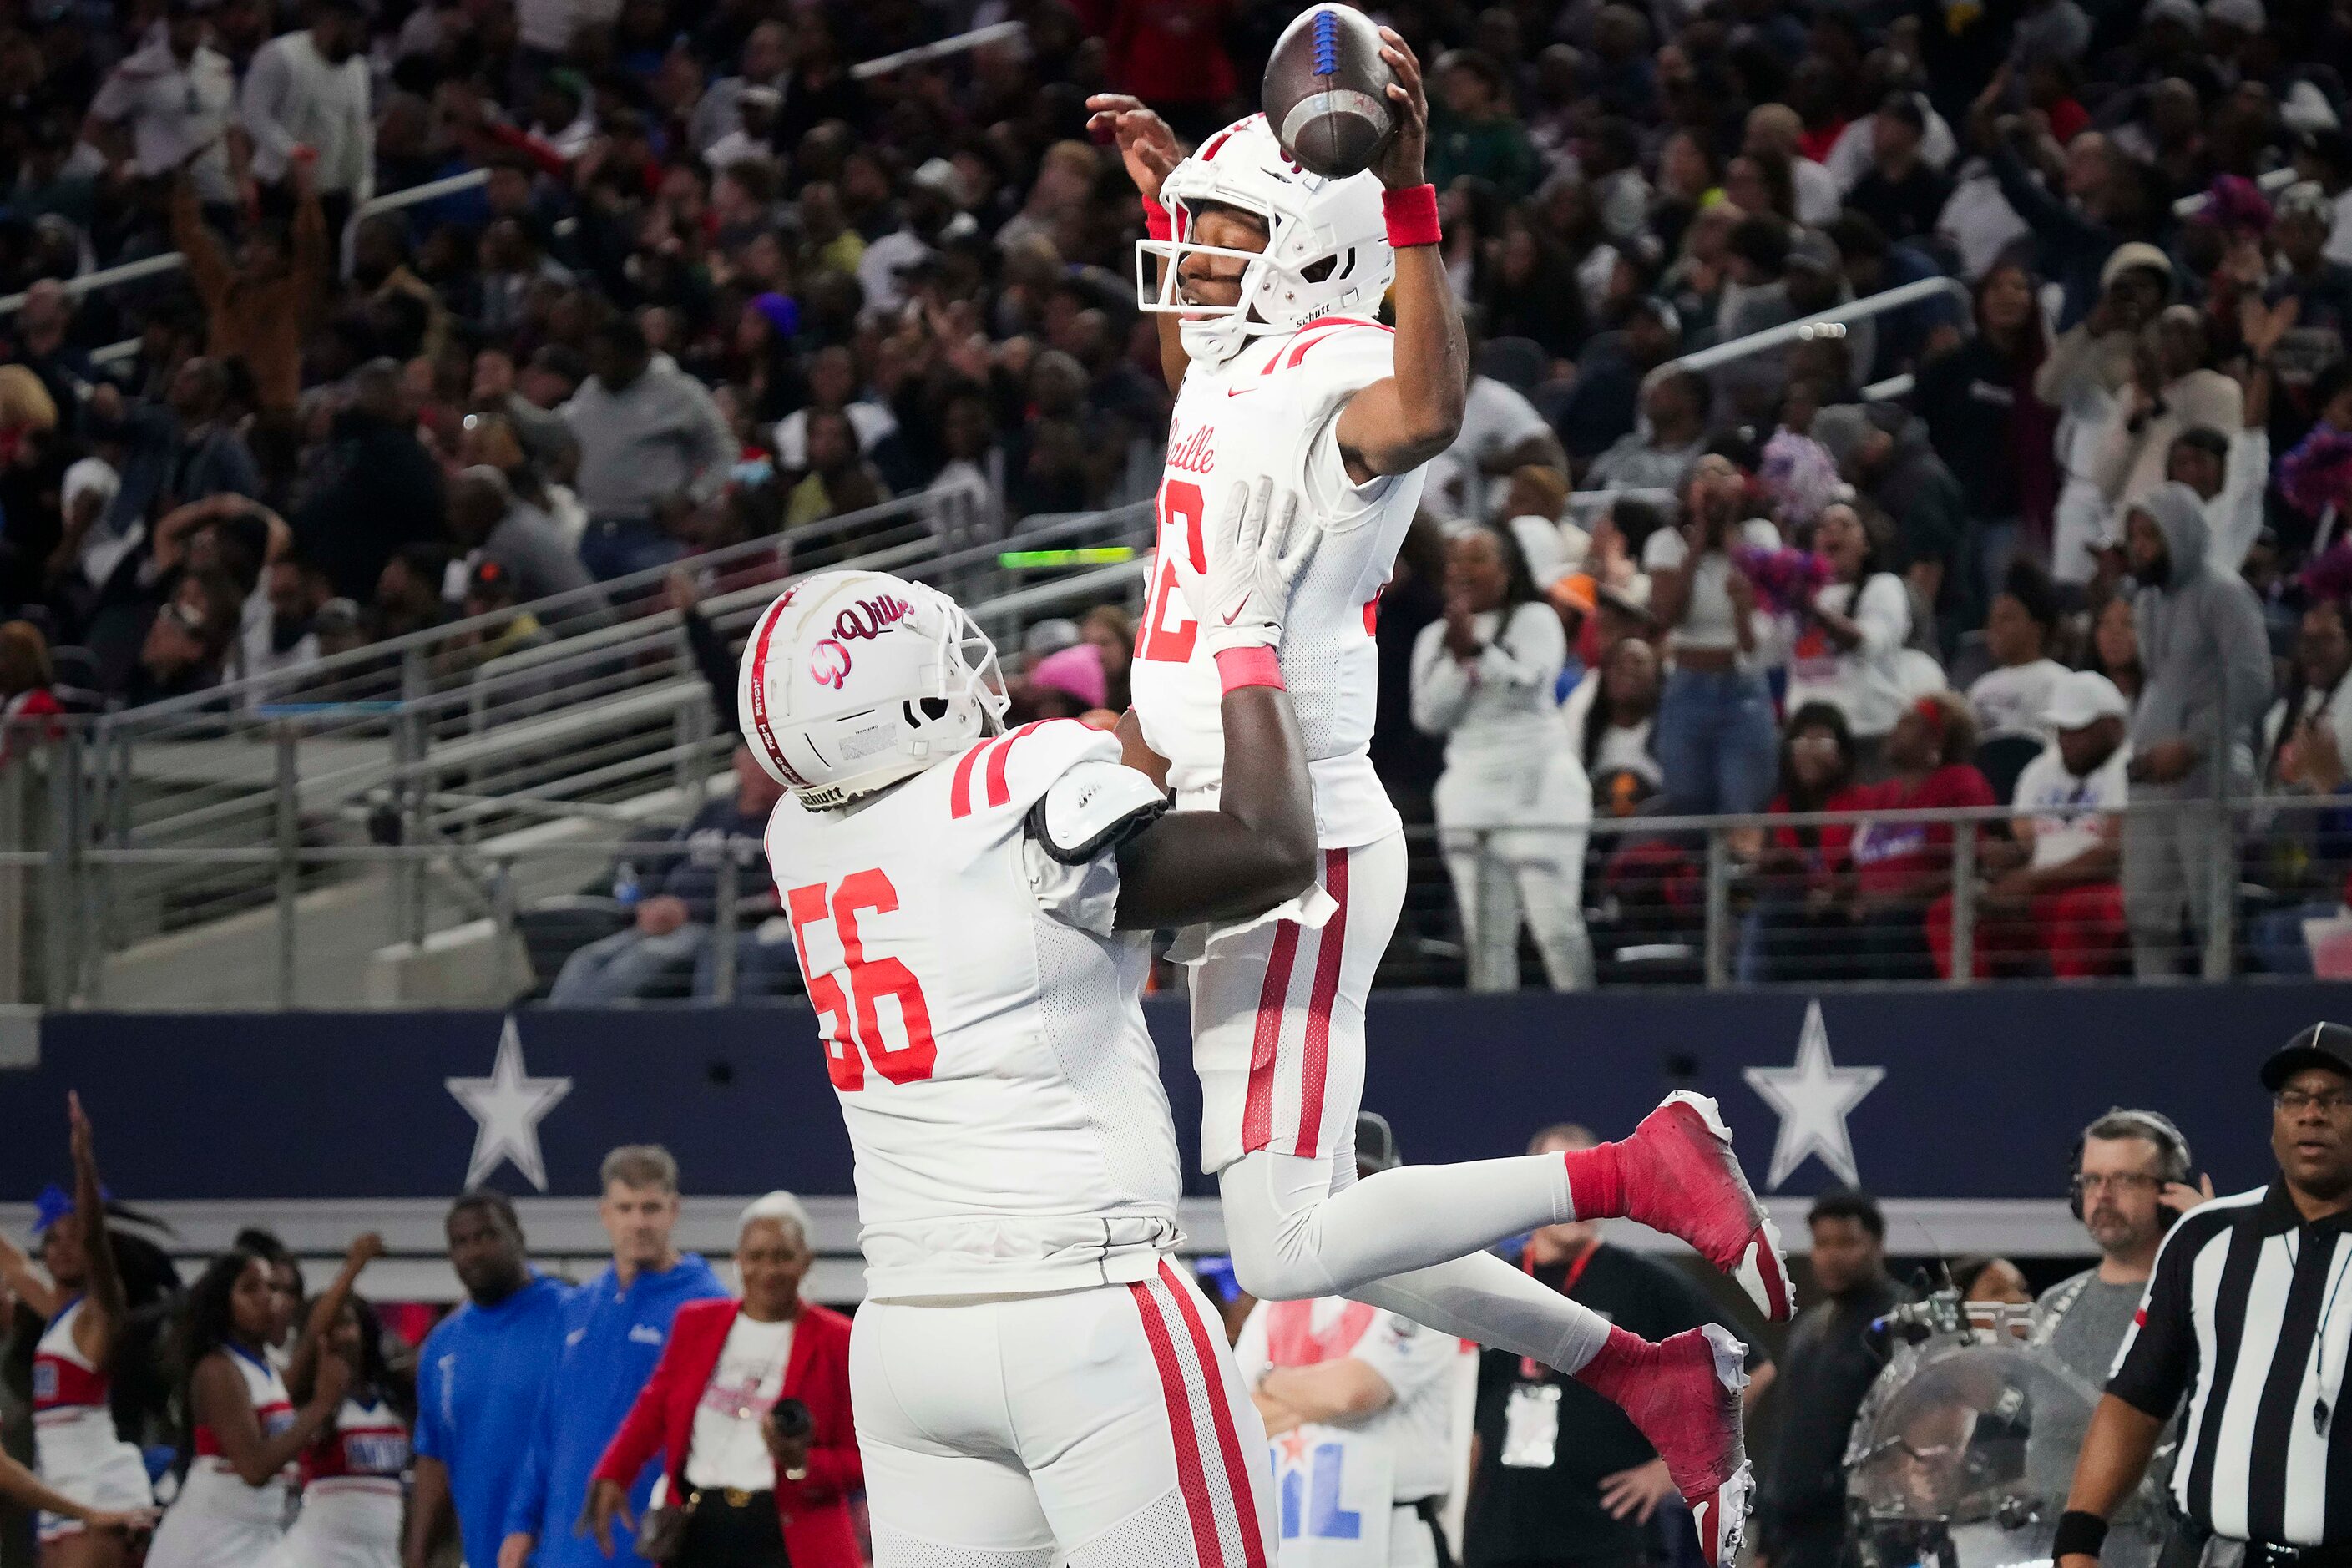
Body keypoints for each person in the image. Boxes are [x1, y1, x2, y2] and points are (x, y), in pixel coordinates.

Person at [740, 533, 1752, 1562]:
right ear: (900, 703)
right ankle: (1629, 1194)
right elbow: (1271, 850)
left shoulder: (800, 837)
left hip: (909, 1331)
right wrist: (1244, 648)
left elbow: (1054, 878)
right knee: (1297, 1230)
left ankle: (1627, 1336)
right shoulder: (1019, 781)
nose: (975, 680)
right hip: (1084, 1309)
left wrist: (1159, 664)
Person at [1095, 67, 1784, 1556]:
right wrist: (1172, 195)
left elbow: (1425, 406)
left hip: (1284, 832)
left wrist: (1408, 201)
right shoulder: (1237, 352)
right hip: (1218, 814)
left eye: (1221, 234)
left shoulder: (1343, 357)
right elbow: (1200, 379)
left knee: (1281, 1242)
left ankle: (1631, 1171)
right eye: (1193, 232)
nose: (1191, 260)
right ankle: (1640, 1360)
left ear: (1314, 253)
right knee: (1312, 1217)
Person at [2056, 1024, 2352, 1568]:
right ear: (2273, 1122)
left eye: (2336, 1099)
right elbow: (2134, 1401)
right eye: (2294, 1100)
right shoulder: (2203, 1237)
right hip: (2206, 1553)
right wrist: (2076, 1543)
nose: (2311, 1114)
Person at [1464, 1122, 1778, 1568]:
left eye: (1589, 1184)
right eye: (1564, 1182)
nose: (1578, 1199)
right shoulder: (1493, 1283)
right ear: (1529, 1191)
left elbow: (1752, 1367)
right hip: (1498, 1539)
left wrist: (1669, 1471)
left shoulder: (1644, 1281)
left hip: (1604, 1538)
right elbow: (1473, 1420)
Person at [1233, 1115, 1465, 1568]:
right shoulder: (1280, 1296)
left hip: (1394, 1532)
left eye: (1366, 1183)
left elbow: (1355, 1392)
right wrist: (1317, 1398)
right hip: (1296, 1527)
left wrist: (1269, 1379)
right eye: (1335, 1186)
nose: (1349, 1199)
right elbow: (1239, 1419)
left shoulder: (1424, 1288)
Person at [586, 1194, 859, 1568]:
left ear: (806, 1262)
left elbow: (864, 1459)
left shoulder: (839, 1341)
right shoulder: (696, 1323)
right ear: (738, 1260)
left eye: (782, 1256)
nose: (768, 1270)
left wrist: (802, 1463)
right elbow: (653, 1409)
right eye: (756, 1256)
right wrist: (615, 1473)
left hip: (789, 1537)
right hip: (699, 1529)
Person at [498, 1148, 726, 1568]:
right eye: (626, 1208)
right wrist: (520, 1523)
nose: (638, 1222)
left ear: (674, 1211)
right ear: (605, 1213)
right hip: (566, 1549)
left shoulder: (709, 1307)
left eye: (651, 1208)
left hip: (660, 1547)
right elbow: (547, 1426)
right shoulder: (578, 1308)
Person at [1411, 523, 1595, 992]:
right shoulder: (1435, 636)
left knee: (1555, 924)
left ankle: (1586, 1028)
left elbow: (1529, 687)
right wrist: (1458, 660)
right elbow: (1430, 716)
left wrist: (1475, 651)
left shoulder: (1537, 618)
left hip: (1541, 786)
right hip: (1471, 791)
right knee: (1486, 937)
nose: (1462, 570)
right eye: (1455, 560)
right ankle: (1496, 1043)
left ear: (1508, 569)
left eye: (1477, 559)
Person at [2117, 483, 2271, 977]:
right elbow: (2163, 683)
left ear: (2179, 534)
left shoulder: (2223, 593)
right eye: (2133, 535)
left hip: (2210, 777)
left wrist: (2193, 745)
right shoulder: (2149, 604)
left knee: (2213, 912)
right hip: (2153, 780)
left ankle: (2220, 1012)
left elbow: (2252, 678)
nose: (2139, 547)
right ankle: (2153, 1013)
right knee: (2145, 910)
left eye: (2150, 535)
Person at [0, 1096, 154, 1568]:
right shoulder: (55, 1312)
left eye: (75, 1237)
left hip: (101, 1484)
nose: (64, 1247)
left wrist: (83, 1163)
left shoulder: (100, 1310)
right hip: (58, 1489)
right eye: (53, 1239)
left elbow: (94, 1243)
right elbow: (11, 1262)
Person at [2022, 1110, 2199, 1500]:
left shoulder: (2204, 1296)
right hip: (2054, 1550)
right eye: (2092, 1180)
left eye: (2125, 1179)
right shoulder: (2055, 1304)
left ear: (2169, 1195)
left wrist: (2214, 1245)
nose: (2103, 1195)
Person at [144, 1247, 347, 1567]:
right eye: (251, 1289)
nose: (267, 1297)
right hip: (208, 1540)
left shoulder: (267, 1368)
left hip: (257, 1535)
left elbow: (312, 1333)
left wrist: (352, 1268)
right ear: (224, 1304)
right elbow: (254, 1468)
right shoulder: (218, 1370)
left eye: (271, 1287)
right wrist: (321, 1407)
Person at [548, 746, 792, 1003]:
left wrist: (690, 911)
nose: (761, 775)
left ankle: (571, 1035)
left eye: (766, 768)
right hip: (662, 917)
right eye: (753, 765)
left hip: (714, 925)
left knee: (633, 964)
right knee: (585, 960)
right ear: (738, 766)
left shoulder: (781, 824)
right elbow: (666, 858)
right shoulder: (714, 811)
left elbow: (770, 894)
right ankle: (549, 1037)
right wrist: (648, 903)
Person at [405, 1192, 570, 1568]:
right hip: (484, 1556)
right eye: (460, 1242)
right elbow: (434, 1458)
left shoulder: (572, 1316)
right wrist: (416, 1558)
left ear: (518, 1236)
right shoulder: (442, 1345)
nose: (473, 1252)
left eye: (485, 1236)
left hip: (565, 1552)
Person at [1754, 1190, 1907, 1568]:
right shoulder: (1808, 1329)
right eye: (1822, 1243)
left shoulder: (1903, 1323)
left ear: (1878, 1245)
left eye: (1847, 1242)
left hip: (1861, 1536)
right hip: (1794, 1539)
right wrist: (1767, 1543)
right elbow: (1788, 1437)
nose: (1832, 1255)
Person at [261, 1232, 408, 1568]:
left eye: (346, 1324)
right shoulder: (310, 1398)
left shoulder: (390, 1395)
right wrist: (353, 1267)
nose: (335, 1336)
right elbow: (315, 1332)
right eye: (329, 1328)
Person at [1975, 670, 2133, 978]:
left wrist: (2032, 880)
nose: (2067, 740)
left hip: (2104, 889)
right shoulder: (2040, 770)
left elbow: (2113, 852)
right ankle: (1972, 1009)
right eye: (2062, 729)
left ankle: (2073, 1011)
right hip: (2042, 890)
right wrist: (2001, 860)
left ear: (2113, 727)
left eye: (2078, 729)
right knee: (1955, 911)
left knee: (2079, 909)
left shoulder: (2129, 766)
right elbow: (2025, 842)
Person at [1650, 455, 1780, 816]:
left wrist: (1728, 531)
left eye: (1721, 474)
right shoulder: (1666, 542)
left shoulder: (1759, 535)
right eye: (1701, 475)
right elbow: (1666, 616)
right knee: (1688, 807)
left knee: (1744, 806)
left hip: (1744, 688)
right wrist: (1698, 539)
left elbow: (1762, 604)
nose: (1711, 482)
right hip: (1687, 688)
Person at [563, 316, 736, 581]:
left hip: (651, 533)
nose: (597, 368)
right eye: (593, 359)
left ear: (635, 357)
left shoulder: (679, 391)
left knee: (655, 612)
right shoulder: (590, 390)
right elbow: (559, 430)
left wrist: (693, 498)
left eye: (606, 359)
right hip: (595, 529)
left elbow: (724, 452)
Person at [1846, 694, 1996, 980]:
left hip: (1918, 912)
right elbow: (1857, 862)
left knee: (1887, 929)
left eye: (1908, 723)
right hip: (1869, 910)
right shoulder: (1881, 794)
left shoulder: (1960, 782)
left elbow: (1968, 863)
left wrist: (1894, 898)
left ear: (1936, 739)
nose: (1894, 730)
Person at [1735, 703, 1870, 984]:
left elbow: (1873, 865)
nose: (1808, 750)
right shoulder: (1780, 809)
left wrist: (1825, 883)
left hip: (1845, 913)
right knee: (1764, 912)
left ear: (1843, 753)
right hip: (1794, 913)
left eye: (1820, 740)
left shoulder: (1865, 802)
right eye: (1800, 740)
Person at [1784, 502, 1912, 762]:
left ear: (1866, 544)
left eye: (1845, 525)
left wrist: (1812, 610)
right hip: (1806, 740)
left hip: (1865, 736)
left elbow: (1868, 642)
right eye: (1823, 527)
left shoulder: (1883, 587)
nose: (1832, 531)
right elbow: (1759, 653)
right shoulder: (1798, 595)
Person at [239, 0, 372, 228]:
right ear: (329, 22)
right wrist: (291, 151)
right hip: (282, 187)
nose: (354, 39)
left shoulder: (358, 68)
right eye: (348, 31)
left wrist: (363, 185)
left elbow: (360, 130)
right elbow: (254, 114)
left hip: (334, 191)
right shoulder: (281, 55)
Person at [1966, 561, 2068, 743]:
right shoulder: (1980, 688)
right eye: (1992, 618)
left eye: (2007, 618)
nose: (1994, 627)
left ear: (2037, 629)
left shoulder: (2058, 682)